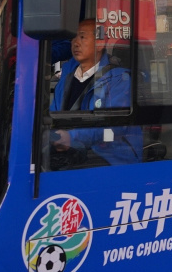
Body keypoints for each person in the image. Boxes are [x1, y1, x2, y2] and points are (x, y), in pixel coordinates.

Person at [50, 19, 139, 168]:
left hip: (108, 156)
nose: (75, 43)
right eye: (74, 37)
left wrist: (71, 137)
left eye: (82, 37)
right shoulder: (67, 75)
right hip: (72, 151)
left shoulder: (118, 79)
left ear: (100, 43)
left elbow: (113, 124)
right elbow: (53, 113)